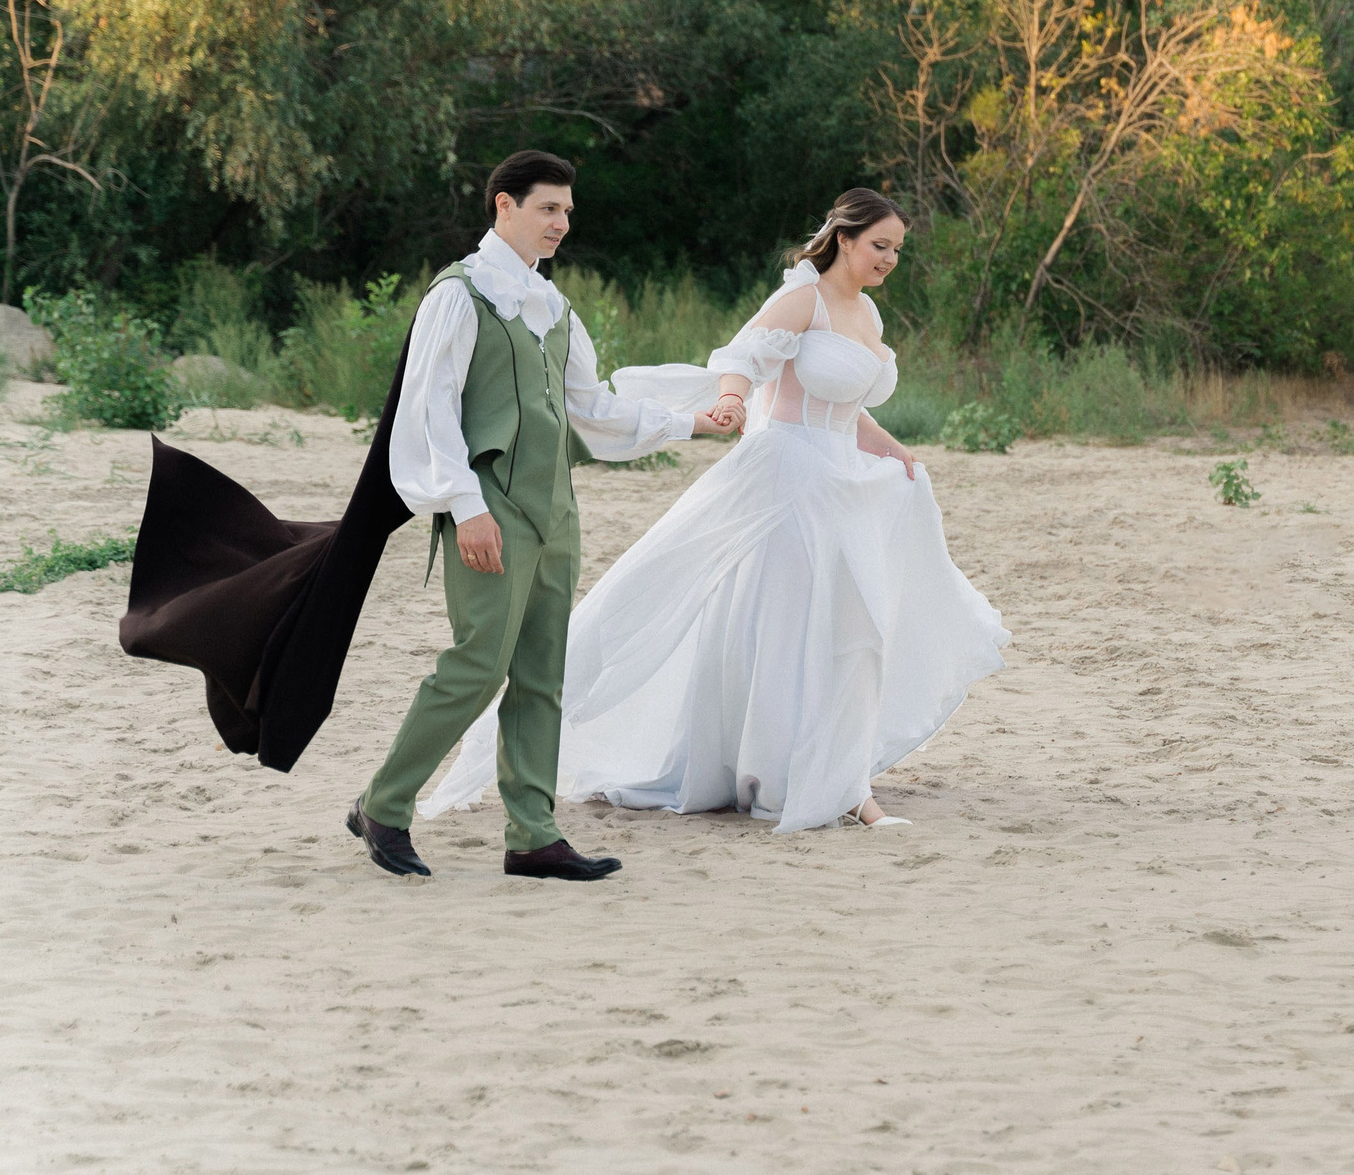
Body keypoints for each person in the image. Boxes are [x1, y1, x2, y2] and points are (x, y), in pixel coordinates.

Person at [420, 187, 1007, 834]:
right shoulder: (801, 297)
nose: (889, 258)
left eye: (897, 249)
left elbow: (850, 407)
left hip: (845, 481)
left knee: (855, 626)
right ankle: (830, 784)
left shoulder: (866, 311)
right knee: (800, 628)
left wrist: (901, 456)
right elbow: (742, 358)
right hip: (788, 474)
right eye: (880, 245)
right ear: (844, 237)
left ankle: (837, 773)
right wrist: (729, 401)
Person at [347, 150, 734, 881]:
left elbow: (593, 411)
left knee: (539, 675)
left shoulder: (554, 307)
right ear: (504, 205)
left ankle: (531, 833)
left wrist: (692, 423)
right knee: (476, 665)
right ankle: (384, 804)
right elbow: (426, 411)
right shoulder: (458, 296)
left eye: (566, 211)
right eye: (548, 208)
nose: (561, 222)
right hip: (489, 505)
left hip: (556, 511)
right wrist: (465, 508)